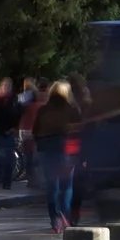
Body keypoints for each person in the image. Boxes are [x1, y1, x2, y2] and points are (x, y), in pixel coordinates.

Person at [32, 80, 81, 232]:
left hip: (48, 151)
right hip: (67, 150)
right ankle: (65, 214)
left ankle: (55, 220)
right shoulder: (72, 110)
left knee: (52, 186)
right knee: (67, 185)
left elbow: (35, 132)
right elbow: (79, 131)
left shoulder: (43, 110)